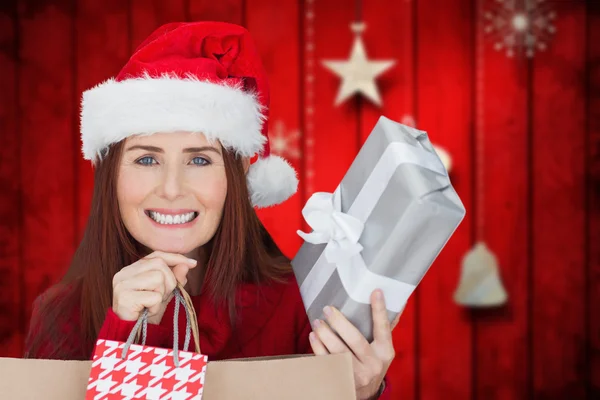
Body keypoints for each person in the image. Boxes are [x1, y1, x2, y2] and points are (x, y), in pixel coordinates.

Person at [23, 21, 399, 399]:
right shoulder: (60, 319)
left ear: (236, 178)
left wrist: (359, 392)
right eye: (147, 160)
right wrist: (128, 336)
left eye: (200, 160)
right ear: (112, 178)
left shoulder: (297, 306)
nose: (172, 190)